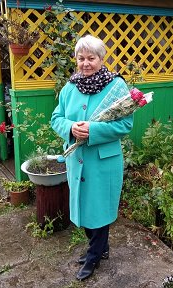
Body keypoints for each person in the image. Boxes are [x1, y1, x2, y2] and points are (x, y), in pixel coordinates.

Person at [51, 34, 133, 281]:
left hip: (103, 161)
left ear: (101, 59)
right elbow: (56, 118)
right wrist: (70, 128)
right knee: (84, 209)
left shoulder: (116, 86)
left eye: (91, 58)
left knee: (99, 209)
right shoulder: (70, 86)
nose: (85, 63)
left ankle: (94, 255)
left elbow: (125, 124)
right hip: (77, 161)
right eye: (81, 58)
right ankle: (100, 248)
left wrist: (93, 131)